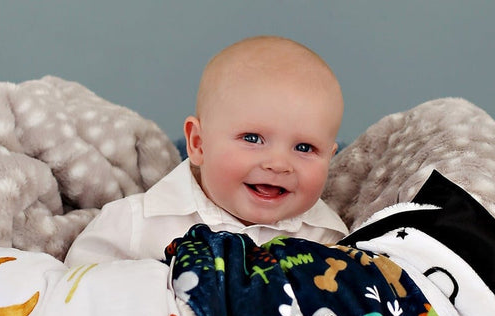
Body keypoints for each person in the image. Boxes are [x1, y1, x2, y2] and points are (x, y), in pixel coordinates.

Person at [64, 36, 348, 266]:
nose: (278, 163)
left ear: (330, 158)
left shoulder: (329, 240)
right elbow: (78, 293)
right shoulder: (137, 225)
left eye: (304, 147)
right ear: (198, 143)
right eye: (252, 138)